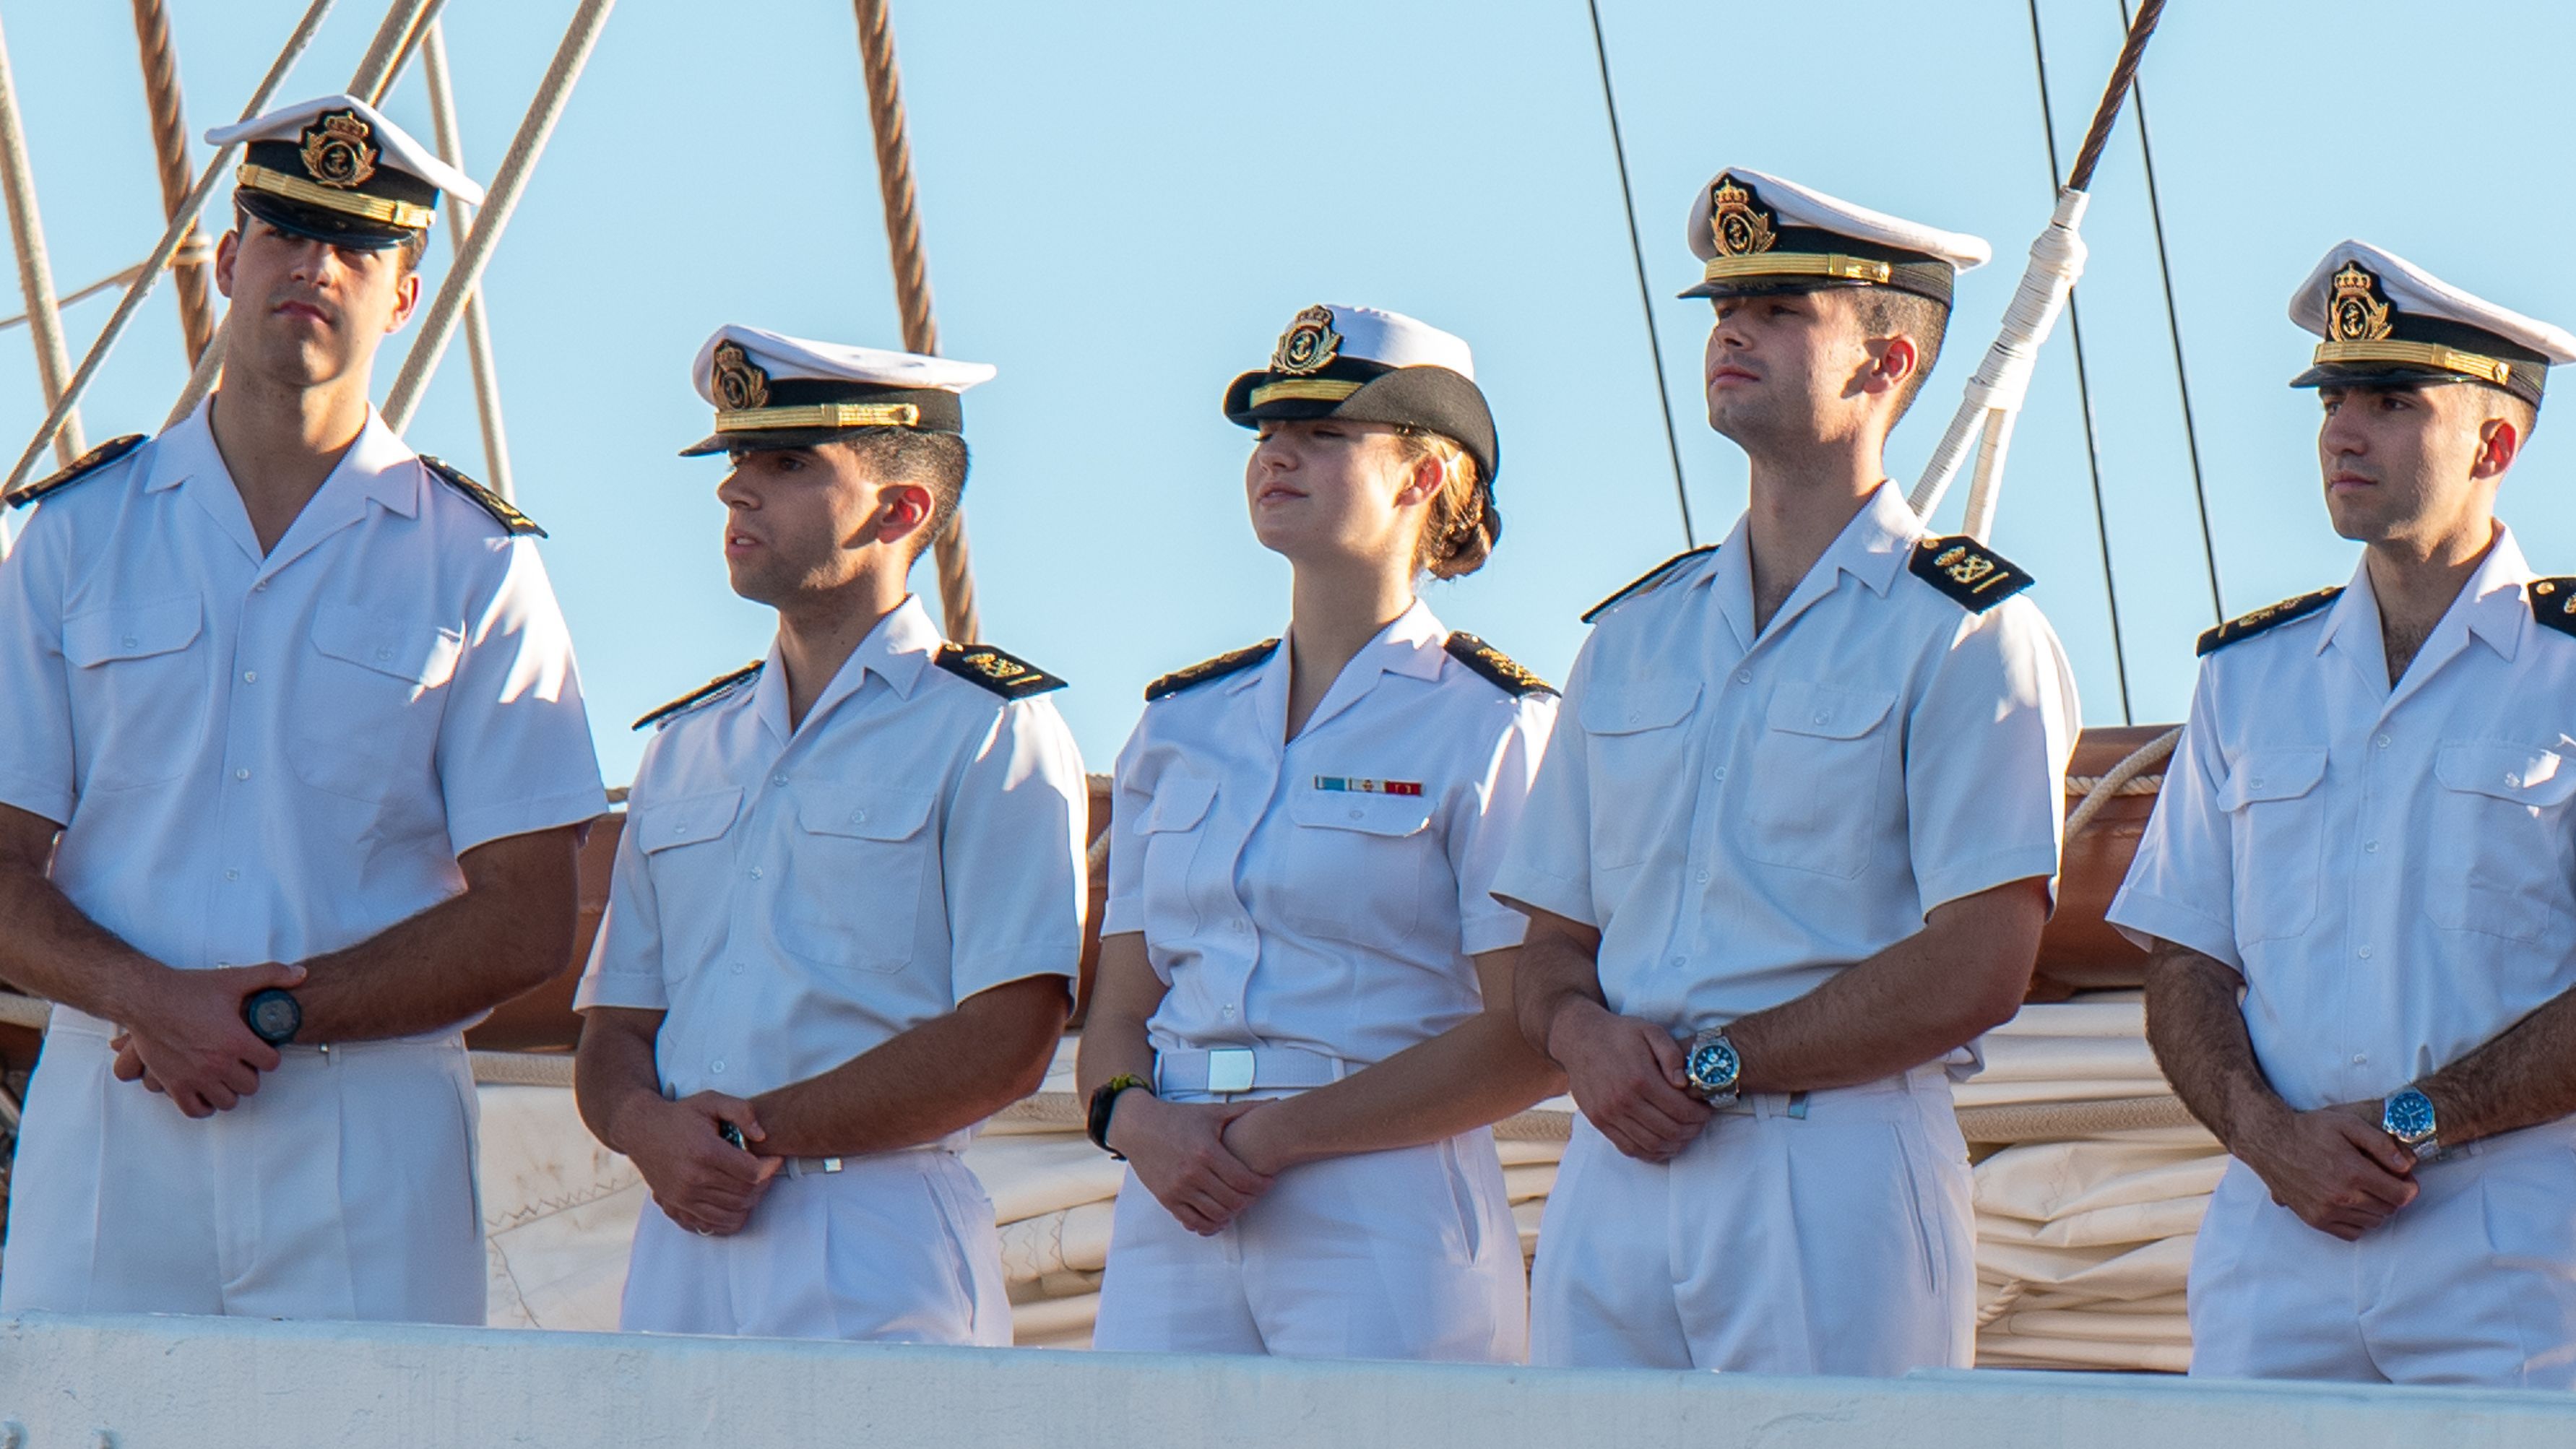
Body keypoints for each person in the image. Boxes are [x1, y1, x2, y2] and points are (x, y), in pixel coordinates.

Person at [0, 95, 604, 1323]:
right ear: (230, 260)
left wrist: (257, 1013)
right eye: (284, 228)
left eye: (361, 243)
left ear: (405, 298)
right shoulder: (74, 536)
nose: (315, 265)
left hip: (366, 1134)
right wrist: (149, 1000)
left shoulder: (477, 565)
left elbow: (530, 915)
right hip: (111, 1118)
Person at [1493, 169, 2080, 1374]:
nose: (1730, 330)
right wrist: (1579, 1035)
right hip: (1615, 1165)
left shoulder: (1966, 633)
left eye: (1778, 308)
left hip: (1831, 1164)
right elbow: (1552, 935)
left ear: (1885, 365)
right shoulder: (1632, 634)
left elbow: (1982, 956)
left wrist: (1718, 1062)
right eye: (1723, 307)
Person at [2108, 242, 2576, 1387]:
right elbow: (2183, 962)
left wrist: (2415, 1119)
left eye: (2390, 401)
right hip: (2273, 1235)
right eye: (2331, 399)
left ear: (2494, 443)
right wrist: (2269, 1139)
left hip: (2512, 1240)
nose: (2340, 430)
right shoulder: (2245, 676)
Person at [573, 326, 1086, 1345]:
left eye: (787, 463)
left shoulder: (989, 728)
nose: (734, 490)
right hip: (681, 1230)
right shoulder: (687, 746)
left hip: (877, 1231)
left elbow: (1009, 1037)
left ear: (904, 509)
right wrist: (647, 1129)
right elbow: (615, 1031)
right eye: (734, 462)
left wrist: (742, 1138)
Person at [1076, 303, 1562, 1361]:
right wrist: (1132, 1119)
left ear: (1424, 476)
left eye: (1325, 433)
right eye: (1266, 433)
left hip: (1377, 1194)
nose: (1276, 455)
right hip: (1173, 1185)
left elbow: (1530, 1029)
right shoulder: (1181, 723)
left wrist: (1284, 1132)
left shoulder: (1491, 722)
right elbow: (1118, 1007)